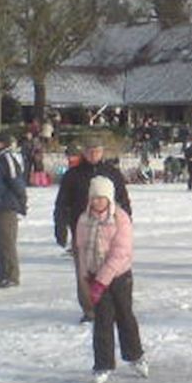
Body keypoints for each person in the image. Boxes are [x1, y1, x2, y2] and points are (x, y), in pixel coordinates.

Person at [74, 176, 148, 383]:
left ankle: (135, 355)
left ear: (109, 198)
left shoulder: (120, 218)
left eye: (102, 198)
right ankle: (102, 364)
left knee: (125, 316)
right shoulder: (83, 219)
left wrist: (100, 283)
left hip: (119, 277)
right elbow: (81, 250)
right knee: (102, 321)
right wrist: (85, 278)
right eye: (94, 198)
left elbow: (119, 253)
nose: (98, 202)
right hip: (95, 276)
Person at [54, 136, 132, 321]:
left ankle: (113, 307)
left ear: (102, 151)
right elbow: (62, 203)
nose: (93, 154)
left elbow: (123, 200)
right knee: (85, 272)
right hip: (82, 231)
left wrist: (126, 223)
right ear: (84, 153)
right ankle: (90, 309)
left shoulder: (112, 173)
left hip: (109, 231)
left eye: (97, 151)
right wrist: (60, 226)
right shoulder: (73, 175)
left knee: (110, 269)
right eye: (89, 151)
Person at [0, 131, 27, 290]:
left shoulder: (6, 158)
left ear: (1, 143)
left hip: (7, 206)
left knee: (7, 242)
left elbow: (16, 181)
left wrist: (21, 201)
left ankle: (11, 275)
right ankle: (2, 274)